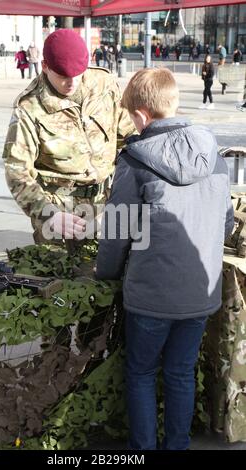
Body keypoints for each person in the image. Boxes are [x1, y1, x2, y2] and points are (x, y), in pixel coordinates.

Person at [95, 67, 234, 450]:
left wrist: (104, 274)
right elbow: (225, 223)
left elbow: (116, 231)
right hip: (200, 293)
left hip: (151, 297)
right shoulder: (213, 152)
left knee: (140, 372)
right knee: (180, 373)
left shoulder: (136, 161)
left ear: (140, 115)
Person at [3, 29, 135, 245]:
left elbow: (127, 132)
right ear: (45, 67)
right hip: (60, 213)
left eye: (78, 73)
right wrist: (48, 213)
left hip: (106, 204)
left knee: (106, 275)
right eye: (63, 76)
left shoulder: (104, 83)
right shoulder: (29, 108)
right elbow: (16, 172)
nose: (72, 82)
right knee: (61, 277)